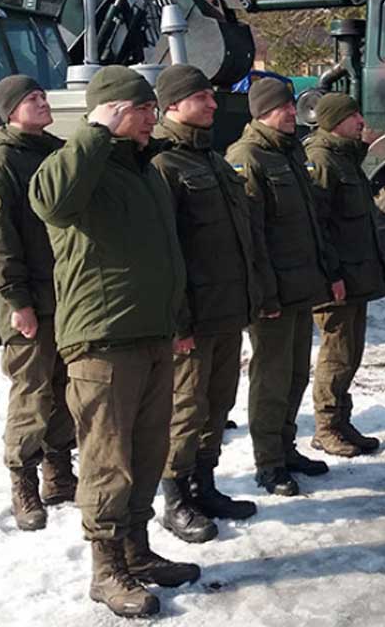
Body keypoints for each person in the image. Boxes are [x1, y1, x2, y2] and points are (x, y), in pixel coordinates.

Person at [29, 65, 197, 618]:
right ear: (114, 111)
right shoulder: (80, 166)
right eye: (142, 109)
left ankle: (137, 552)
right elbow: (50, 201)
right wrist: (96, 130)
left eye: (153, 109)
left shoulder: (143, 171)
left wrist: (175, 323)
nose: (154, 118)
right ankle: (106, 571)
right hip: (102, 342)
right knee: (108, 460)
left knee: (148, 454)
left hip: (151, 335)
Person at [150, 64, 262, 542]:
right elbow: (162, 253)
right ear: (174, 105)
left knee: (217, 404)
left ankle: (204, 484)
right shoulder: (164, 166)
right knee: (185, 408)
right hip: (192, 317)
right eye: (202, 98)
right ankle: (174, 499)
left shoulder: (212, 161)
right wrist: (179, 322)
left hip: (226, 311)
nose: (214, 104)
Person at [0, 75, 75, 533]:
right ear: (10, 110)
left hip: (65, 295)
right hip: (29, 299)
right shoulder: (0, 164)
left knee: (65, 387)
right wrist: (16, 300)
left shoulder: (52, 151)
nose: (42, 102)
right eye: (31, 99)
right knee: (31, 392)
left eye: (42, 95)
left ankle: (58, 473)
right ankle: (24, 482)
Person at [225, 77, 340, 496]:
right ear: (262, 113)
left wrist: (325, 274)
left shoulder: (290, 152)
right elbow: (250, 237)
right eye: (283, 107)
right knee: (271, 378)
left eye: (292, 105)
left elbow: (310, 223)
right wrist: (264, 294)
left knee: (294, 375)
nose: (293, 112)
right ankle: (268, 463)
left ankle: (286, 447)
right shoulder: (248, 156)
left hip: (300, 287)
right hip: (272, 294)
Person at [304, 93, 385, 457]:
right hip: (336, 281)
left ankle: (342, 420)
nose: (361, 120)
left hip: (356, 279)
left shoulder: (344, 157)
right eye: (353, 115)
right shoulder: (321, 160)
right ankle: (325, 427)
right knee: (336, 356)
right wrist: (331, 275)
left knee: (351, 354)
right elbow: (318, 227)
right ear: (336, 121)